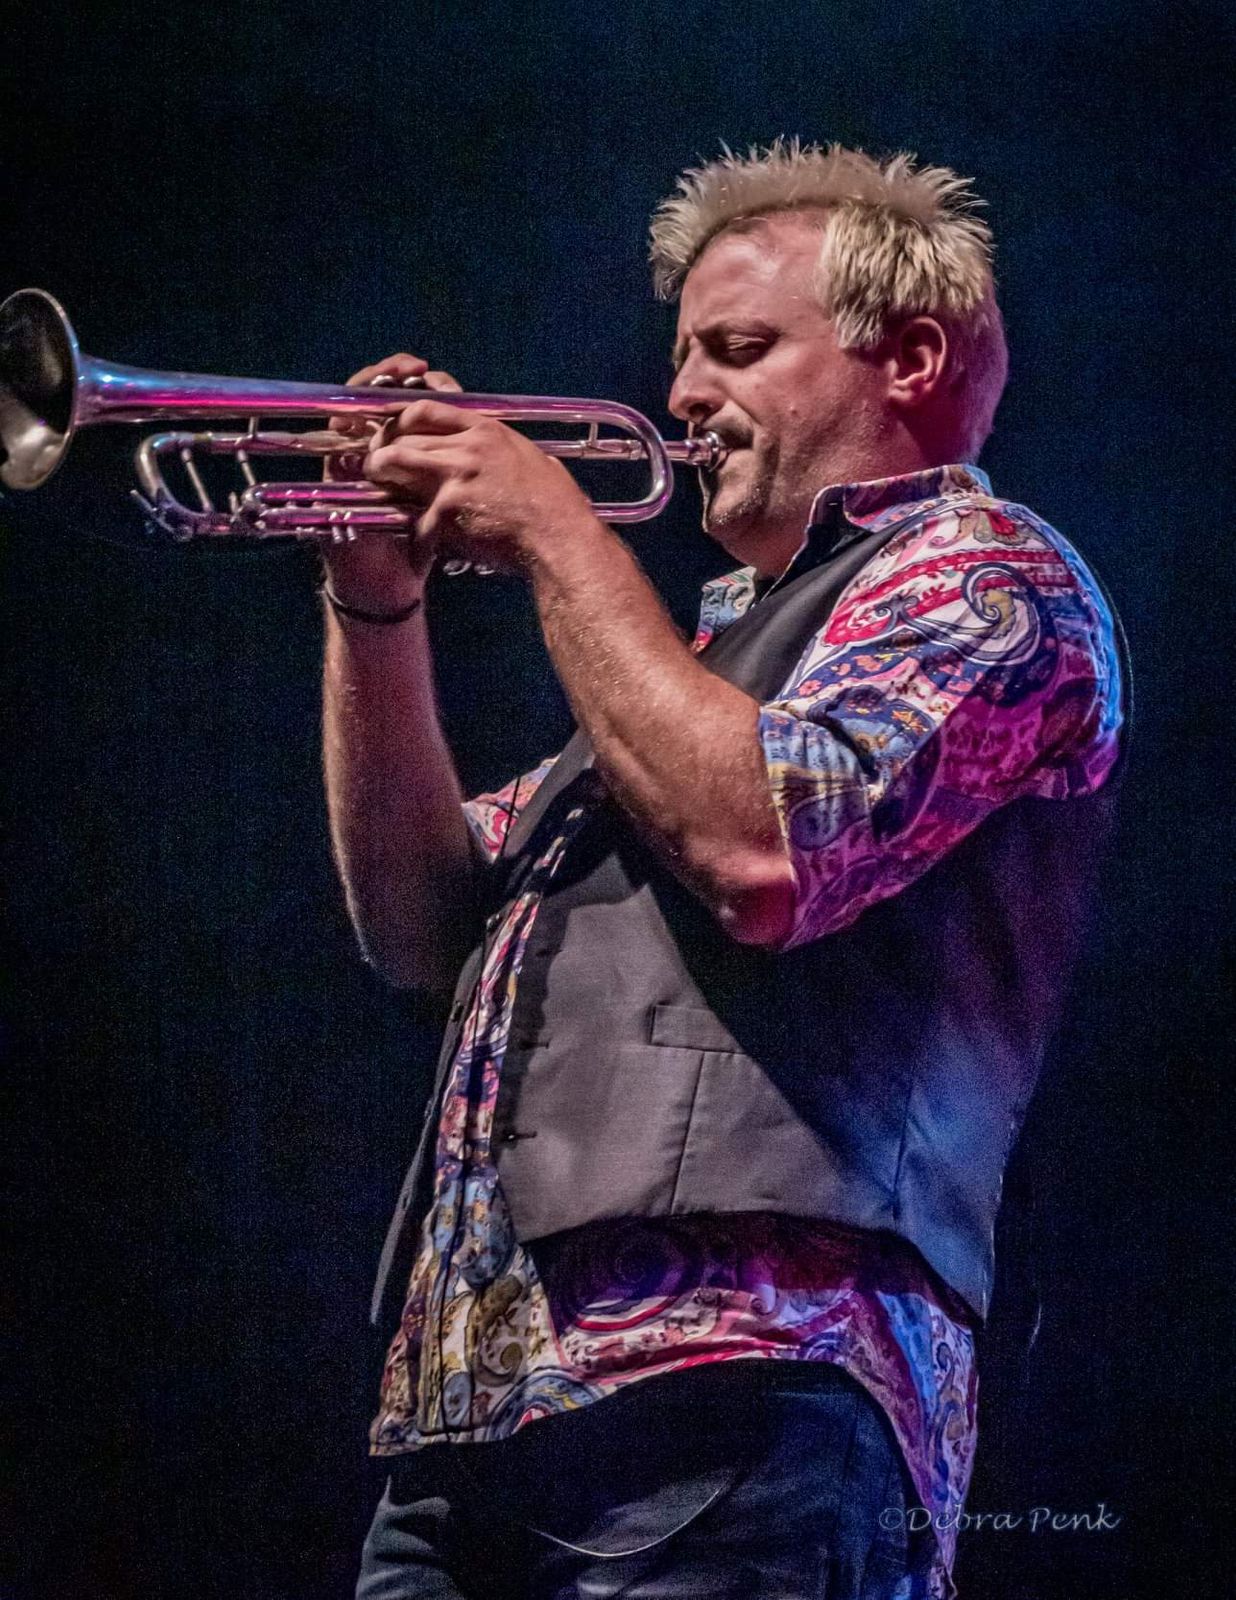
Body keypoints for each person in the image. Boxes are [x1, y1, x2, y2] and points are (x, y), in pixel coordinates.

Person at [319, 141, 1126, 1600]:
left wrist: (553, 528)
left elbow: (768, 847)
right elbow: (419, 924)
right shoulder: (691, 673)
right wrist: (374, 608)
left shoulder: (991, 577)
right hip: (465, 1426)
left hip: (747, 1400)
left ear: (910, 359)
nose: (682, 395)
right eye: (684, 353)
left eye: (739, 350)